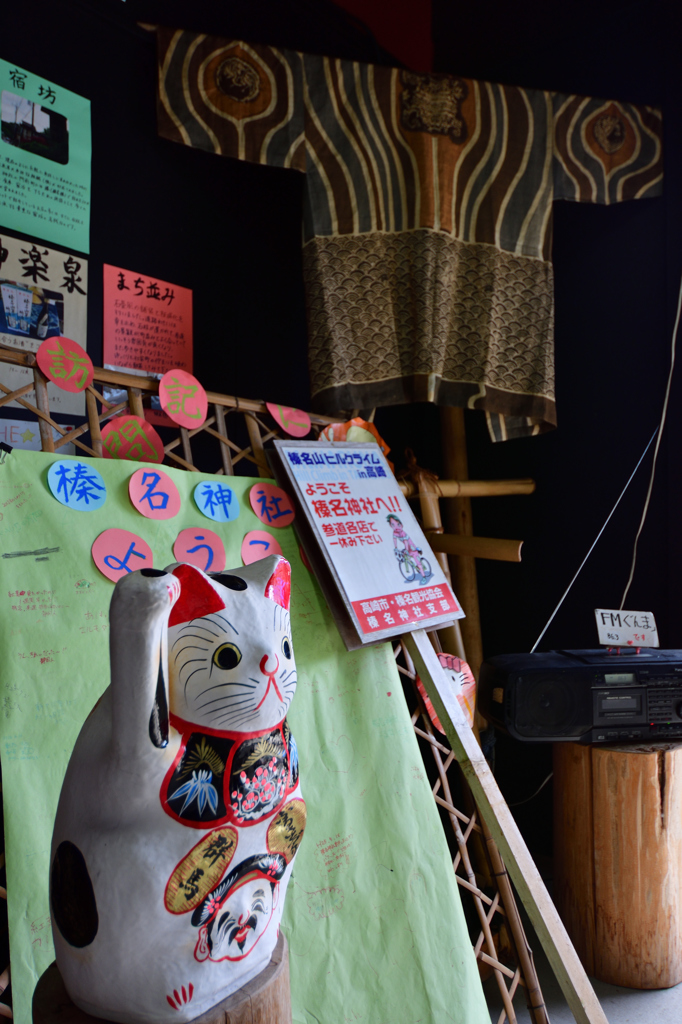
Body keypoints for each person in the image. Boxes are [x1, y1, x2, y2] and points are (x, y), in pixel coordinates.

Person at [387, 514, 430, 583]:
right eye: (393, 525)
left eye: (398, 524)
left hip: (412, 548)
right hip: (407, 547)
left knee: (417, 562)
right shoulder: (395, 532)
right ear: (390, 526)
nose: (396, 527)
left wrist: (406, 550)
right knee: (405, 556)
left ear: (401, 525)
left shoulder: (403, 533)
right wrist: (395, 548)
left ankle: (424, 577)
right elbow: (394, 540)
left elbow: (406, 542)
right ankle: (413, 565)